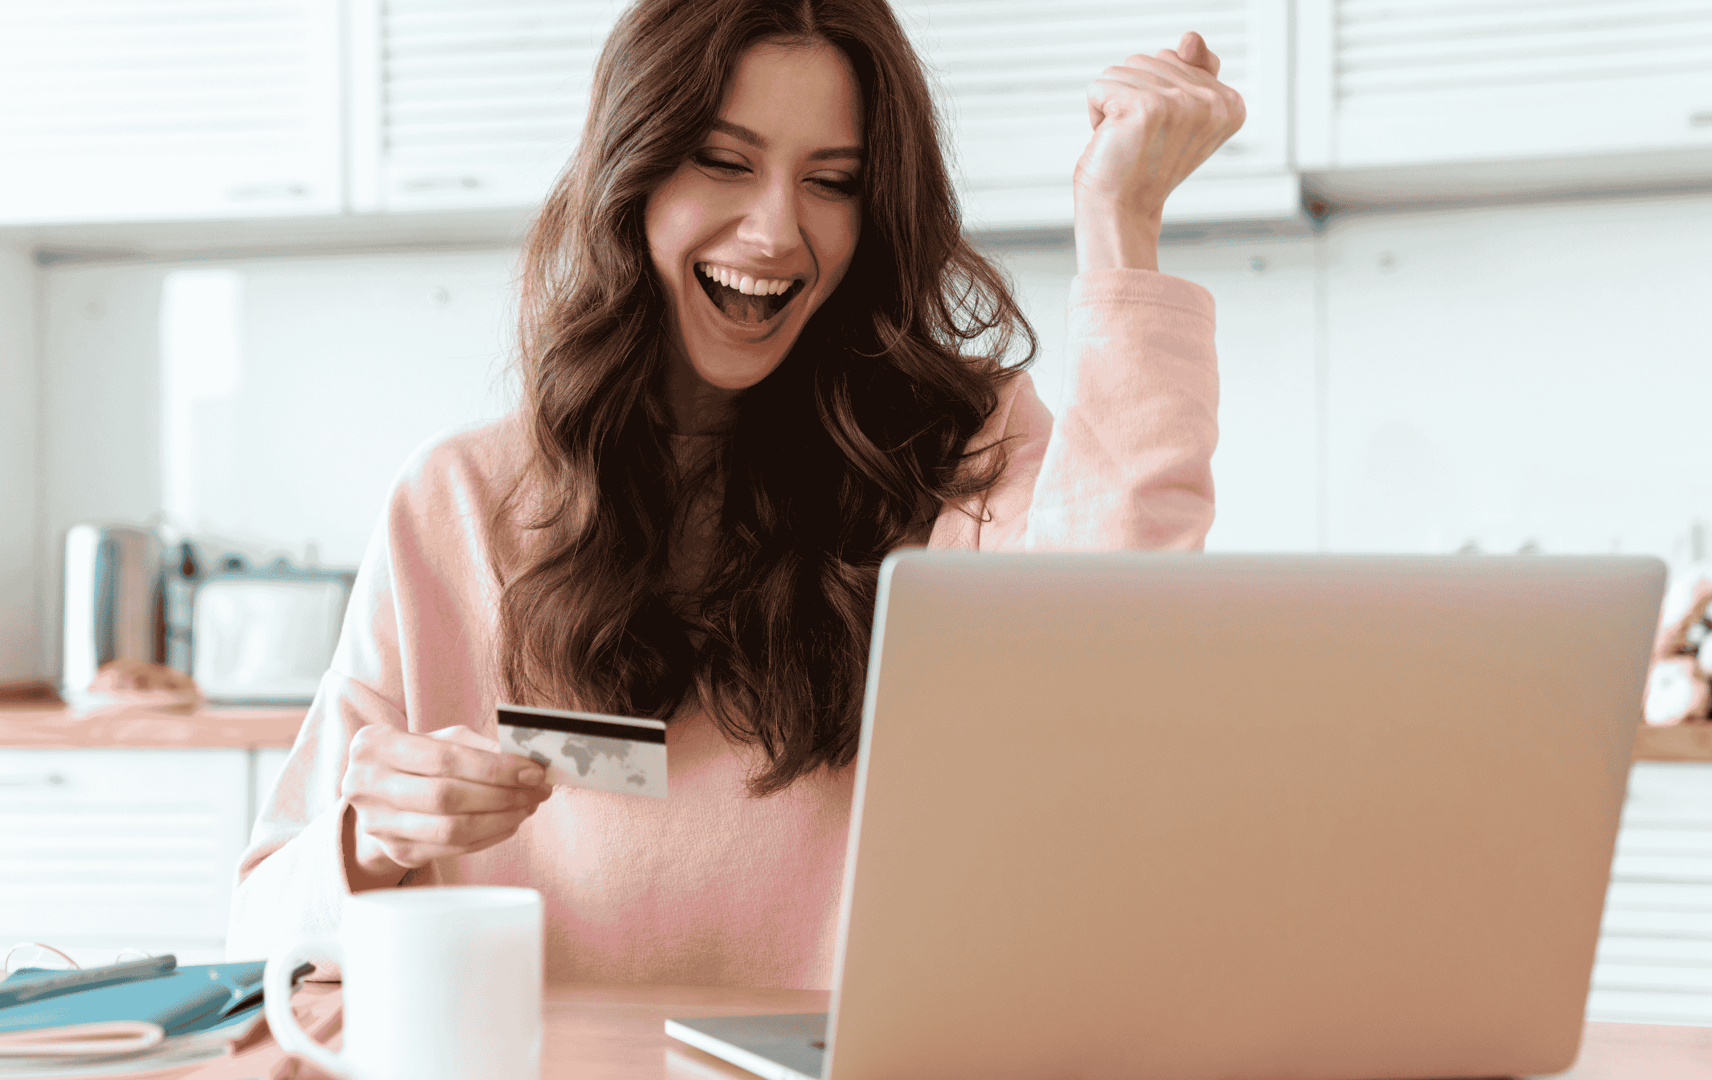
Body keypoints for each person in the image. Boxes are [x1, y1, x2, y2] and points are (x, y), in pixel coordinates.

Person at [227, 0, 1240, 989]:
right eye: (723, 162)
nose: (775, 231)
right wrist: (372, 837)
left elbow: (1119, 650)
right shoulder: (458, 500)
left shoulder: (960, 456)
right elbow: (264, 931)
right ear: (633, 171)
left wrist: (1121, 225)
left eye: (832, 181)